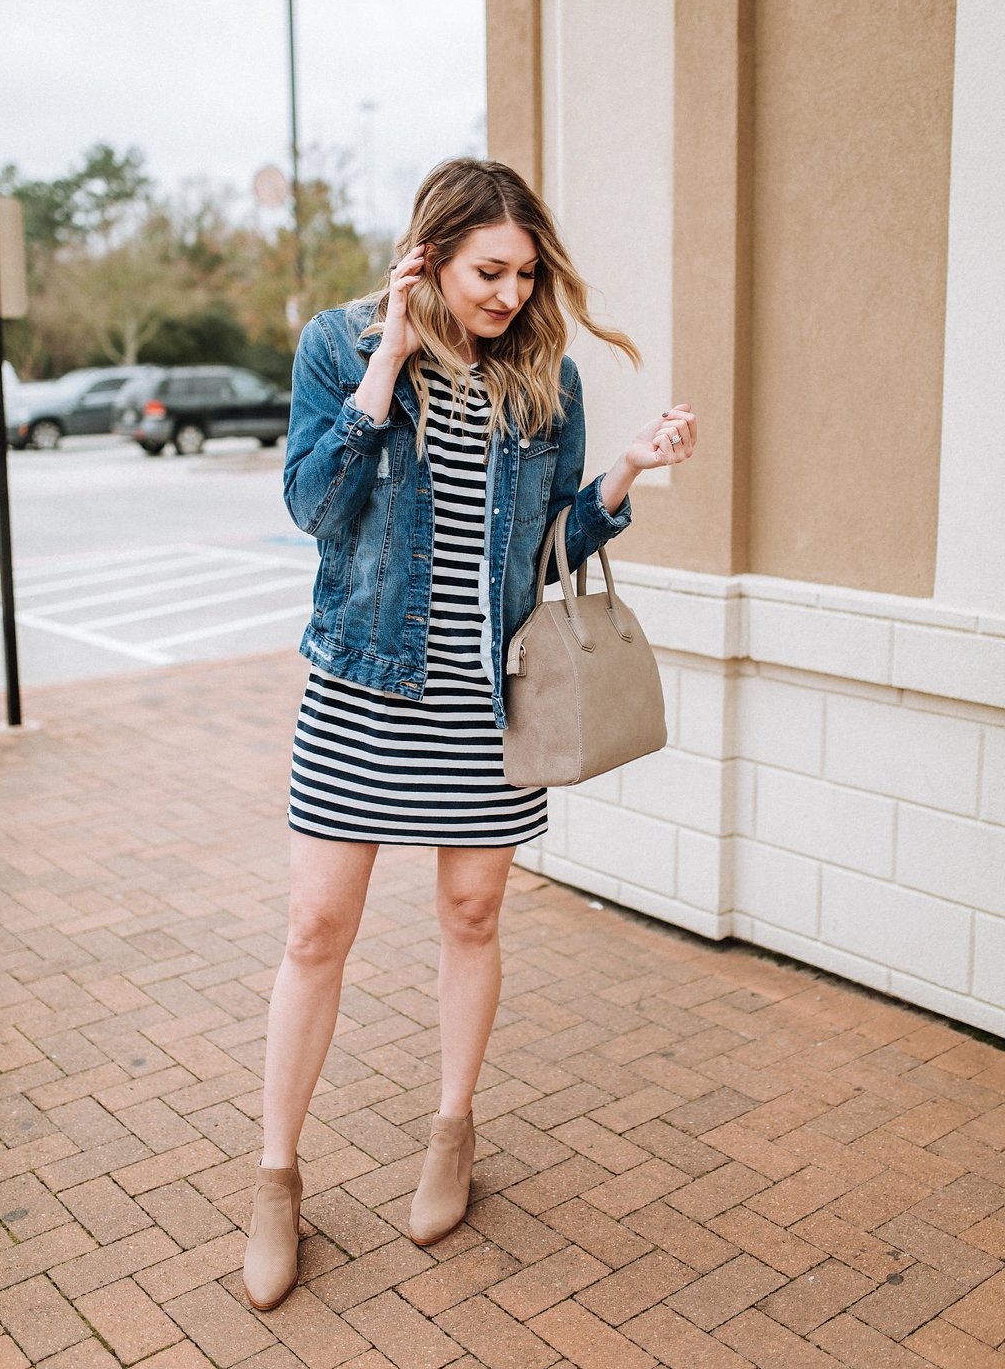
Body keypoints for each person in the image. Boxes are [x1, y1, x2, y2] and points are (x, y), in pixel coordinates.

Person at [242, 156, 697, 1311]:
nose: (507, 295)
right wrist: (388, 363)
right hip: (358, 690)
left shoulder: (544, 375)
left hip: (480, 703)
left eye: (523, 275)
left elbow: (550, 544)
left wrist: (624, 475)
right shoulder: (340, 345)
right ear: (429, 256)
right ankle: (277, 1177)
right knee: (312, 931)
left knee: (471, 913)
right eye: (488, 271)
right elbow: (311, 508)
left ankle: (453, 1130)